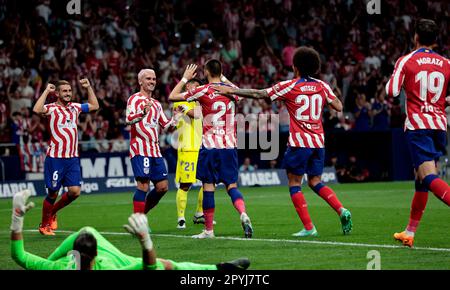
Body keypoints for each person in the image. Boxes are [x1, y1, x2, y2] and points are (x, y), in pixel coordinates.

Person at [214, 46, 353, 237]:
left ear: (295, 67)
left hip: (299, 143)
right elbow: (338, 106)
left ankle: (309, 227)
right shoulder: (322, 86)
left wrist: (225, 90)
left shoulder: (290, 86)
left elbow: (259, 94)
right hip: (318, 142)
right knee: (315, 181)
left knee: (294, 183)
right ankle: (341, 210)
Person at [9, 190, 250, 270]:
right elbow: (150, 265)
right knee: (166, 265)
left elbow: (19, 257)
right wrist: (145, 241)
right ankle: (220, 268)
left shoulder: (63, 267)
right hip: (101, 248)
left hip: (85, 242)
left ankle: (220, 268)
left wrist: (16, 218)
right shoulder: (111, 266)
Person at [169, 60, 253, 239]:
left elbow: (172, 96)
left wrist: (185, 78)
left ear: (206, 72)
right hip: (229, 146)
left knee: (208, 187)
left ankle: (208, 230)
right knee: (231, 186)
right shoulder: (231, 90)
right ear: (221, 71)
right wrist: (224, 79)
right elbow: (243, 94)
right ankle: (243, 213)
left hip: (210, 146)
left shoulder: (202, 90)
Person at [386, 19, 450, 248]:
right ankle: (410, 232)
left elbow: (392, 91)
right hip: (439, 127)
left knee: (430, 179)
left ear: (415, 37)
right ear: (436, 39)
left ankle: (410, 231)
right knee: (421, 180)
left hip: (418, 126)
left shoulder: (406, 60)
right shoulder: (446, 62)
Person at [33, 79, 99, 235]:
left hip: (72, 158)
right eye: (65, 91)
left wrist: (89, 87)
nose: (68, 93)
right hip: (55, 158)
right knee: (53, 193)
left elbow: (95, 106)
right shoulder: (52, 108)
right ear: (57, 93)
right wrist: (46, 91)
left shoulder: (75, 107)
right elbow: (37, 109)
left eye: (70, 91)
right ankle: (44, 225)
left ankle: (52, 213)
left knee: (75, 191)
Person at [125, 69, 180, 214]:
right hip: (140, 148)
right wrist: (142, 113)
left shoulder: (156, 104)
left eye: (154, 79)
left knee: (162, 187)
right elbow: (128, 119)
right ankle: (138, 221)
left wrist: (176, 118)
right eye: (148, 79)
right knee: (143, 186)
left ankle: (141, 216)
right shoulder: (134, 99)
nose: (152, 82)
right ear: (140, 81)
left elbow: (166, 126)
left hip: (155, 150)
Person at [168, 64, 205, 229]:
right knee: (185, 185)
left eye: (198, 86)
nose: (196, 88)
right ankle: (181, 218)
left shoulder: (200, 103)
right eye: (193, 85)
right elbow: (187, 115)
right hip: (187, 148)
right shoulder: (180, 101)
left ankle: (199, 213)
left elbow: (199, 114)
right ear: (187, 86)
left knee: (208, 182)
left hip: (202, 147)